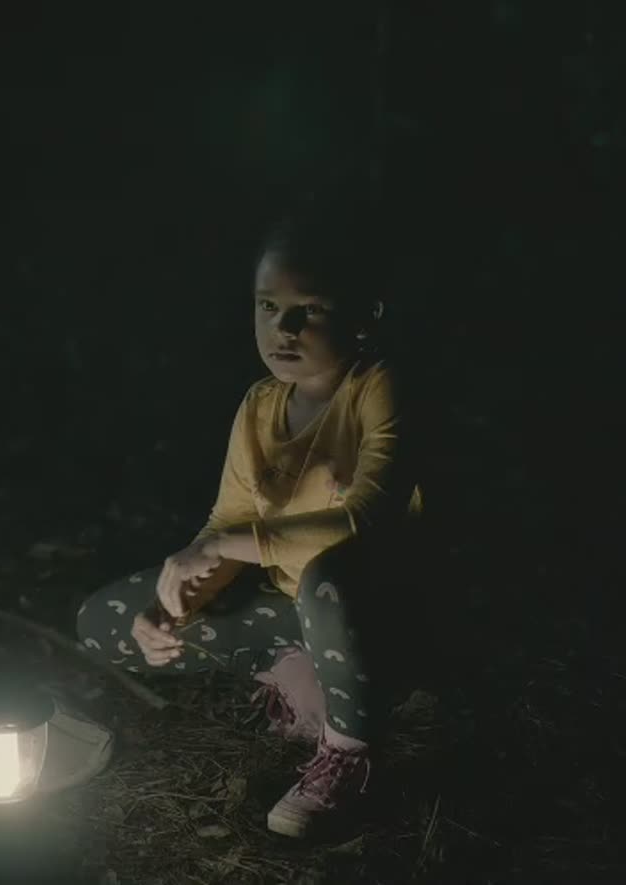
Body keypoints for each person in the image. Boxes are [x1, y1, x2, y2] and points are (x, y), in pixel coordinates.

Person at [75, 195, 423, 838]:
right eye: (268, 307)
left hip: (381, 611)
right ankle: (297, 672)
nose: (283, 329)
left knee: (328, 577)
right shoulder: (261, 404)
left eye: (309, 309)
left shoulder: (380, 388)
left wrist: (224, 546)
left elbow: (365, 521)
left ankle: (348, 757)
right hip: (292, 608)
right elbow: (227, 520)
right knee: (107, 621)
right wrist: (180, 602)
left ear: (364, 315)